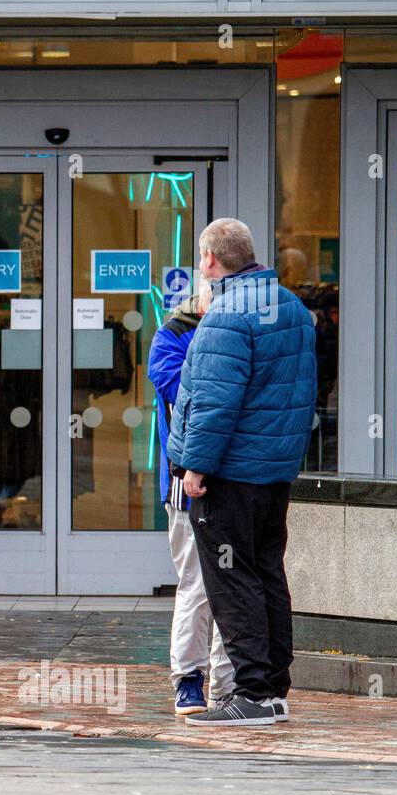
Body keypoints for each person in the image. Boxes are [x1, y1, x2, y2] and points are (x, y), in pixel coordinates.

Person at [166, 219, 317, 727]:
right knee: (268, 572)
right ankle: (273, 690)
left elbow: (213, 401)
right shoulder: (291, 307)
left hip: (229, 475)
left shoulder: (227, 312)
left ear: (210, 259)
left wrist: (194, 466)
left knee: (233, 579)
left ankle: (252, 692)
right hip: (273, 475)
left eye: (201, 260)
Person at [148, 278, 235, 714]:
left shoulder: (240, 331)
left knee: (234, 588)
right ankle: (188, 679)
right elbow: (181, 394)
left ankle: (226, 686)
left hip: (236, 482)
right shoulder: (172, 334)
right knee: (198, 586)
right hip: (186, 485)